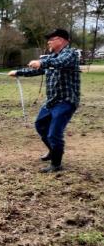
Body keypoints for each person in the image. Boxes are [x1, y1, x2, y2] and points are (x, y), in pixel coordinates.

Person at [8, 28, 80, 173]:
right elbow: (37, 69)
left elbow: (60, 62)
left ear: (61, 40)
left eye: (51, 39)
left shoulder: (70, 54)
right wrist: (18, 72)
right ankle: (53, 150)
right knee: (40, 125)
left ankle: (56, 164)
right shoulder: (50, 57)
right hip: (51, 101)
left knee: (54, 133)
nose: (48, 42)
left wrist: (41, 63)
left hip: (65, 101)